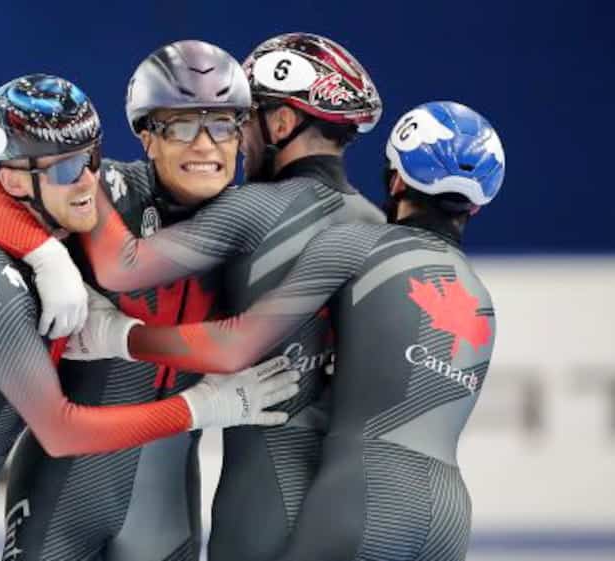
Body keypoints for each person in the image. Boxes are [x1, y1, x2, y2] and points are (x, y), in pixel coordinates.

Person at [0, 33, 385, 561]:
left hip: (166, 496)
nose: (204, 146)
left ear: (244, 135)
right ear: (146, 137)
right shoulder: (103, 191)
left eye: (222, 125)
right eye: (181, 125)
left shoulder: (256, 224)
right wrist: (44, 252)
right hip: (65, 486)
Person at [0, 73, 298, 561]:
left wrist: (103, 318)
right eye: (64, 171)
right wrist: (202, 408)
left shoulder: (58, 232)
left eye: (90, 159)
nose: (87, 183)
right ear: (15, 181)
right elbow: (59, 431)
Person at [75, 101, 505, 561]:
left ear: (397, 179)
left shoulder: (358, 242)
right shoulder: (480, 296)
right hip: (449, 514)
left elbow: (233, 345)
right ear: (476, 206)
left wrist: (116, 336)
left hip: (361, 493)